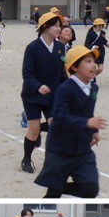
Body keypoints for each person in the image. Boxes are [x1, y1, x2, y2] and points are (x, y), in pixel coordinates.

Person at [34, 46, 107, 198]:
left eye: (94, 61)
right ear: (74, 67)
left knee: (90, 189)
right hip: (60, 149)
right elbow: (59, 117)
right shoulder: (65, 89)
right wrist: (87, 123)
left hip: (82, 149)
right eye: (88, 61)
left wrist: (94, 131)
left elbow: (88, 113)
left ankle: (58, 186)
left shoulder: (94, 88)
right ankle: (55, 188)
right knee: (53, 194)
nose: (94, 65)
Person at [20, 12, 67, 173]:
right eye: (56, 25)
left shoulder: (60, 47)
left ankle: (52, 161)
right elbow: (27, 74)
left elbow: (62, 74)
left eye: (60, 26)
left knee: (56, 126)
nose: (59, 29)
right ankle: (26, 159)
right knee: (33, 129)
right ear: (45, 26)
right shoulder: (32, 48)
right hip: (32, 95)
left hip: (52, 96)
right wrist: (38, 86)